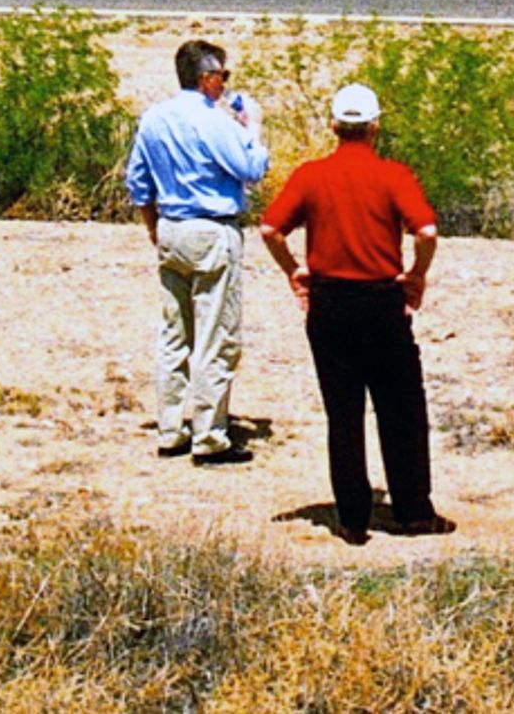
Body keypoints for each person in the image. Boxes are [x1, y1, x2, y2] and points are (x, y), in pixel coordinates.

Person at [259, 83, 456, 545]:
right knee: (401, 407)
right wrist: (417, 275)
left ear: (333, 126)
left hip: (329, 303)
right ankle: (412, 511)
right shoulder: (393, 176)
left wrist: (295, 271)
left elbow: (270, 227)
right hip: (380, 301)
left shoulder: (311, 175)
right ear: (374, 127)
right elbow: (425, 231)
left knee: (343, 411)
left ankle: (351, 516)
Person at [126, 39, 270, 465]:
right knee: (215, 335)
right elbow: (252, 169)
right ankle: (210, 435)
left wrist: (154, 227)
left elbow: (138, 182)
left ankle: (171, 428)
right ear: (207, 77)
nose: (225, 84)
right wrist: (252, 128)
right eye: (222, 76)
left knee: (174, 334)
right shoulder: (215, 121)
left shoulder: (153, 119)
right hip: (212, 228)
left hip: (171, 226)